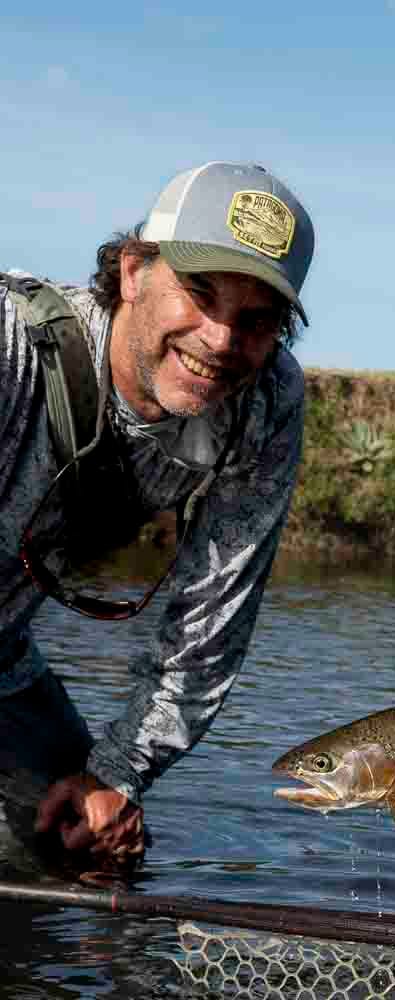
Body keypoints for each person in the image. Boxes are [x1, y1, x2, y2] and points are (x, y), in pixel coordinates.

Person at [0, 161, 314, 864]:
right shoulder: (10, 350)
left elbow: (207, 630)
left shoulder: (264, 405)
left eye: (257, 320)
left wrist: (115, 774)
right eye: (199, 294)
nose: (222, 341)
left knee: (95, 845)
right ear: (135, 270)